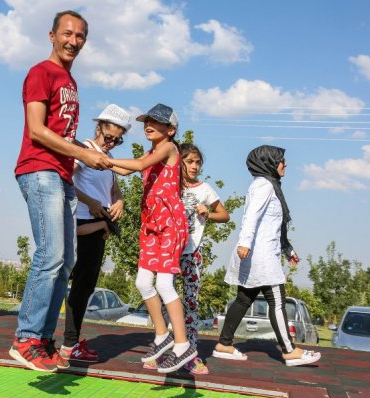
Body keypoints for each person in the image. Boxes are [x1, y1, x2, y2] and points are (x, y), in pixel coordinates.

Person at [11, 10, 112, 373]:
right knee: (50, 255)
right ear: (51, 35)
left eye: (80, 36)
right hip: (39, 171)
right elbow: (37, 130)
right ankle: (25, 337)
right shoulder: (41, 73)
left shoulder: (70, 81)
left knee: (67, 262)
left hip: (63, 177)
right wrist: (84, 153)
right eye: (67, 34)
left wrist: (83, 162)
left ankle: (42, 340)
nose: (74, 41)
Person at [214, 145, 320, 366]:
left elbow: (271, 225)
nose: (285, 164)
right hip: (259, 256)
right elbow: (251, 216)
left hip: (260, 253)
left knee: (243, 299)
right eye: (281, 160)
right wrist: (244, 243)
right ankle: (289, 350)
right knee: (277, 301)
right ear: (268, 162)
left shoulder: (270, 186)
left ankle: (224, 344)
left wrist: (287, 249)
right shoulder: (263, 185)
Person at [110, 103, 196, 374]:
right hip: (151, 227)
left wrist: (106, 159)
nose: (148, 125)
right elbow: (126, 170)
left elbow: (137, 164)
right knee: (142, 281)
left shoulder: (169, 149)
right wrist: (96, 155)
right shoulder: (152, 152)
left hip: (170, 224)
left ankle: (183, 344)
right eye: (146, 121)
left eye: (155, 122)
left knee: (165, 284)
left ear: (170, 130)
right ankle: (162, 335)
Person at [60, 104, 131, 363]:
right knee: (77, 286)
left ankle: (71, 341)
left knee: (86, 286)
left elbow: (113, 190)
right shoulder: (86, 151)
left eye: (118, 139)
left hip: (99, 225)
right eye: (109, 136)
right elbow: (66, 180)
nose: (112, 142)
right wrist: (90, 202)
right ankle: (67, 343)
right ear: (98, 127)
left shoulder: (106, 160)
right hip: (82, 221)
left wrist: (120, 201)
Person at [177, 143, 230, 374]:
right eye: (190, 161)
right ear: (179, 162)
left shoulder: (205, 189)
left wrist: (208, 213)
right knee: (162, 298)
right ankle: (166, 346)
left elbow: (224, 215)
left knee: (191, 303)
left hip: (191, 252)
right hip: (168, 252)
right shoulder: (170, 185)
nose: (195, 166)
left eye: (198, 162)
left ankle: (191, 352)